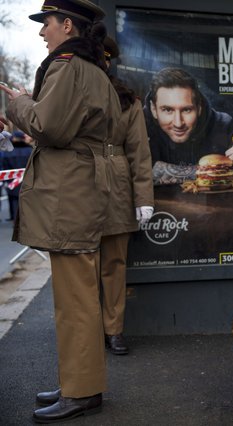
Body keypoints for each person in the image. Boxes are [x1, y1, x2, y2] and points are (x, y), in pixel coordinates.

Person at [0, 0, 122, 422]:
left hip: (70, 192)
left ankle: (82, 390)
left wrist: (19, 104)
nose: (42, 32)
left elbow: (50, 127)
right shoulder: (91, 69)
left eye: (47, 24)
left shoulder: (67, 65)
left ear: (67, 24)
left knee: (75, 299)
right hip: (81, 189)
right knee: (79, 295)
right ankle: (78, 382)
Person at [99, 36, 154, 354]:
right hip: (80, 187)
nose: (101, 65)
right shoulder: (72, 91)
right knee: (82, 269)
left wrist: (143, 197)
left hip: (118, 188)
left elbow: (138, 151)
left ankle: (113, 329)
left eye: (105, 59)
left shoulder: (127, 100)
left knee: (114, 264)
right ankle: (87, 331)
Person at [143, 67, 233, 185]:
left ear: (199, 108)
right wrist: (221, 172)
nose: (178, 123)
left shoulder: (222, 124)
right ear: (154, 109)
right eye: (168, 110)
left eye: (186, 110)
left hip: (214, 204)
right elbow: (133, 172)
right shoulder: (140, 124)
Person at [1, 130, 33, 221]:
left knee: (14, 201)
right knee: (28, 202)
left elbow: (5, 167)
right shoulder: (30, 150)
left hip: (12, 181)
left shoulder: (7, 152)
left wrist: (6, 182)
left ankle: (15, 220)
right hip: (28, 181)